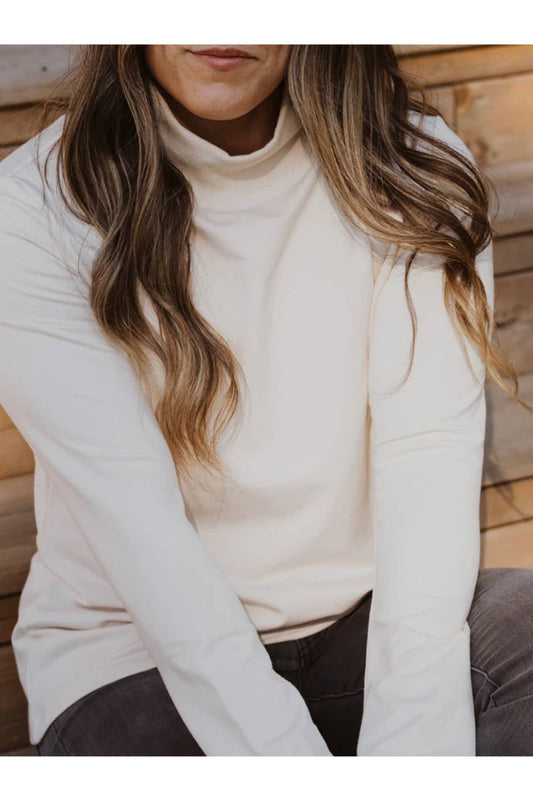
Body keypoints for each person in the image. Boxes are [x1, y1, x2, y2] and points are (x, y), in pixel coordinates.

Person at [0, 44, 532, 758]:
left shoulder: (414, 167)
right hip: (135, 658)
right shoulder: (31, 208)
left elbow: (425, 455)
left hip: (358, 626)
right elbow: (139, 531)